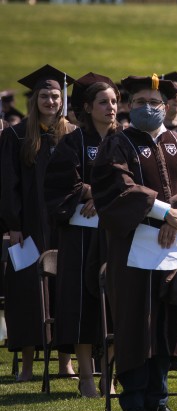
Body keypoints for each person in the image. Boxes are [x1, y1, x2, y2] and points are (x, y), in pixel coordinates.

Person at [90, 74, 177, 411]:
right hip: (132, 249)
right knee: (135, 322)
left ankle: (159, 398)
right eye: (141, 102)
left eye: (155, 103)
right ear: (130, 106)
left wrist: (175, 218)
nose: (148, 108)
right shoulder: (118, 145)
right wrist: (163, 212)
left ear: (166, 107)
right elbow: (116, 188)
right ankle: (133, 401)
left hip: (174, 247)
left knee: (168, 321)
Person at [44, 72, 120, 397]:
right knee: (81, 306)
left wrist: (99, 198)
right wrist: (92, 192)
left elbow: (132, 185)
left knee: (118, 305)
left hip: (116, 236)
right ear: (88, 107)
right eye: (104, 102)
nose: (111, 108)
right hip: (80, 238)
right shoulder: (73, 143)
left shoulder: (124, 142)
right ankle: (87, 377)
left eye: (115, 101)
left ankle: (110, 377)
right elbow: (63, 186)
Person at [1, 65, 77, 382]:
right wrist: (14, 224)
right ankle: (29, 366)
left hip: (64, 226)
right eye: (44, 95)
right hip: (29, 227)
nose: (49, 100)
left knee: (65, 291)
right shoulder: (16, 134)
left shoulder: (72, 134)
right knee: (27, 293)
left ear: (62, 99)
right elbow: (8, 184)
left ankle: (65, 363)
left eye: (55, 95)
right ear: (35, 99)